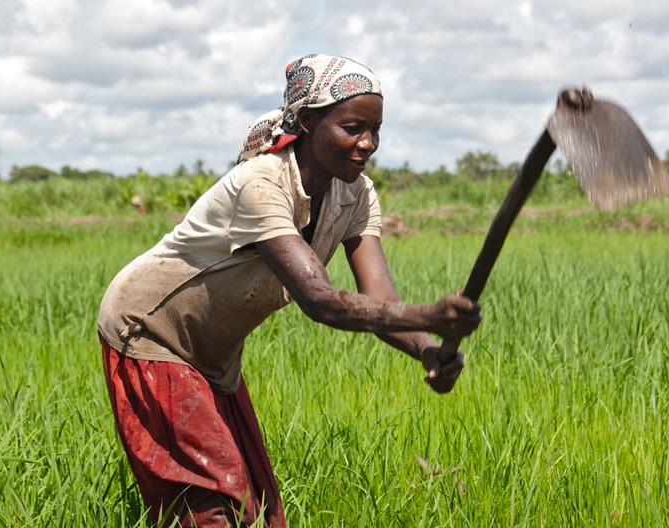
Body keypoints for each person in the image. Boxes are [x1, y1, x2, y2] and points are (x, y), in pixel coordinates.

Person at [97, 54, 481, 528]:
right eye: (353, 127)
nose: (368, 144)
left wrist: (427, 350)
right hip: (149, 331)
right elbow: (318, 299)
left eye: (375, 130)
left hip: (212, 357)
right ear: (307, 121)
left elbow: (380, 302)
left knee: (257, 509)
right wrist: (430, 316)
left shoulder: (356, 194)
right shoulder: (264, 181)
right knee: (211, 505)